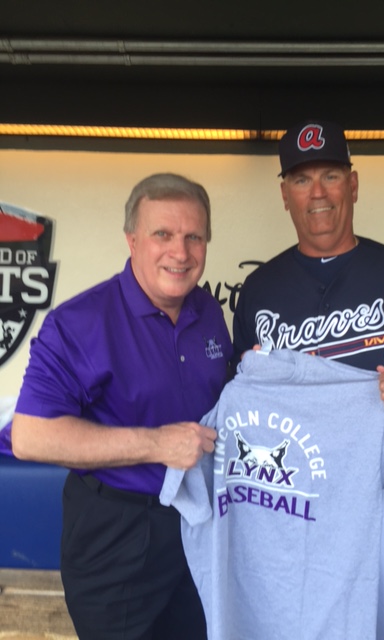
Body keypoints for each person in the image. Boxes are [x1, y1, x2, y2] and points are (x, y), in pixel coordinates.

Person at [232, 120, 384, 640]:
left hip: (382, 482)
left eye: (331, 176)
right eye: (301, 179)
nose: (317, 193)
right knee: (294, 619)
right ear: (285, 195)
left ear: (353, 185)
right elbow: (238, 397)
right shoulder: (259, 289)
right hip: (294, 489)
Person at [12, 173, 233, 640]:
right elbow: (31, 437)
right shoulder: (77, 323)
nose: (180, 252)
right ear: (132, 240)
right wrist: (156, 444)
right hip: (117, 533)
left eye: (194, 237)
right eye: (163, 234)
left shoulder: (209, 313)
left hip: (199, 527)